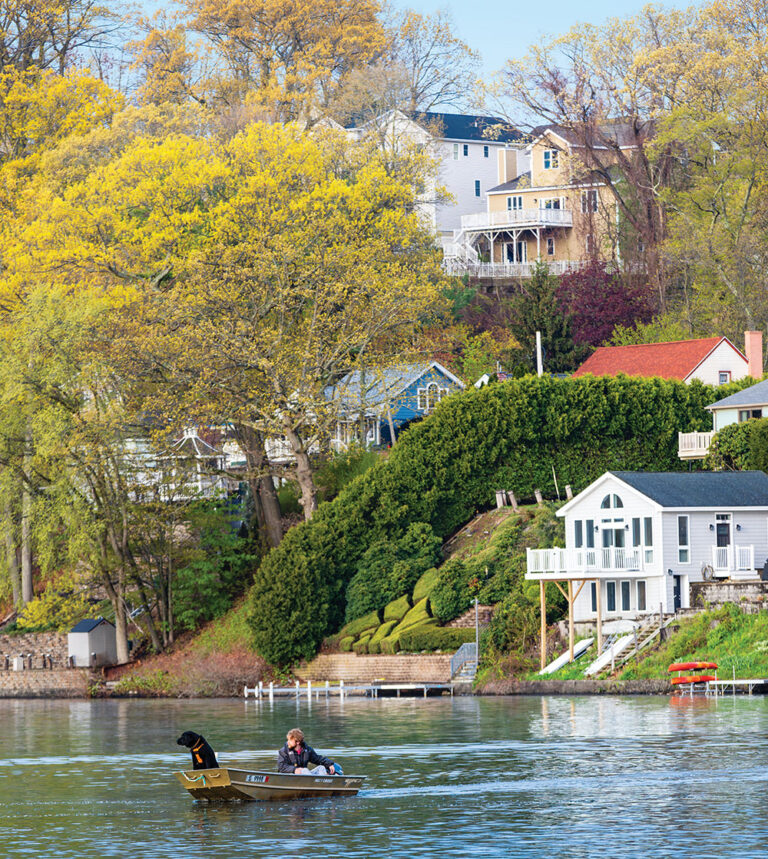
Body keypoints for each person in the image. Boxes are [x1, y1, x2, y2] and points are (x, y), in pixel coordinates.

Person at [277, 728, 342, 775]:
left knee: (321, 768)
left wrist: (329, 764)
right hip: (290, 776)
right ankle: (315, 784)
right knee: (304, 770)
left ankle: (324, 784)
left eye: (290, 740)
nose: (288, 742)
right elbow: (281, 767)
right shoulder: (283, 751)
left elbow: (318, 759)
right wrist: (294, 769)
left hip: (305, 776)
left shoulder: (307, 750)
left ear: (298, 742)